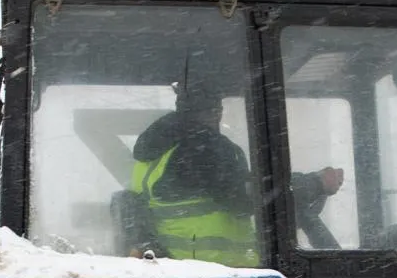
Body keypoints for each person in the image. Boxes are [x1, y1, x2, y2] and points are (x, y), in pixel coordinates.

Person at [129, 76, 344, 265]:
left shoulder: (158, 150)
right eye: (217, 109)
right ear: (214, 111)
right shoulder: (202, 147)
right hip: (215, 268)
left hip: (178, 265)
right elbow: (245, 198)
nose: (219, 115)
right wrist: (314, 183)